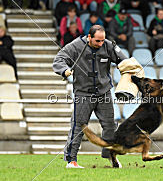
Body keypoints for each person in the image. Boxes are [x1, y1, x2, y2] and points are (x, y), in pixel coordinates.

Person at [53, 25, 129, 168]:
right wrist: (64, 70)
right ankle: (71, 161)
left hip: (103, 92)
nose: (101, 44)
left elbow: (123, 61)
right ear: (89, 37)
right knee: (78, 126)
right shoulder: (75, 46)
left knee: (110, 127)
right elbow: (59, 59)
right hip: (83, 93)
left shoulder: (108, 45)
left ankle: (110, 157)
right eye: (97, 41)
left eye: (102, 40)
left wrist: (131, 68)